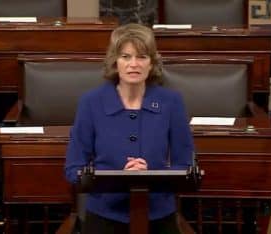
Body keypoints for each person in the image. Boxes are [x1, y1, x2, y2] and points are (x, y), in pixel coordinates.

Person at [65, 23, 194, 234]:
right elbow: (73, 170)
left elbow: (186, 167)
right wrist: (119, 177)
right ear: (115, 62)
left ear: (151, 63)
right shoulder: (91, 102)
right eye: (126, 56)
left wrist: (150, 175)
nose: (134, 64)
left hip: (158, 215)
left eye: (142, 57)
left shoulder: (171, 102)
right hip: (104, 216)